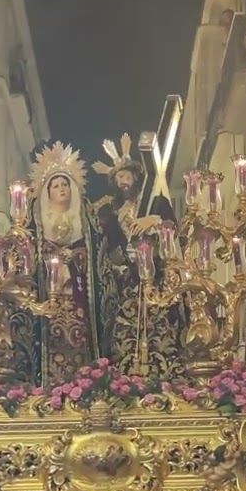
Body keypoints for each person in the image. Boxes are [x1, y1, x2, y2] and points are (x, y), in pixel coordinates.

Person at [92, 133, 185, 377]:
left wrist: (152, 220)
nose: (123, 181)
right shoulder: (114, 211)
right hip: (130, 278)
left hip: (158, 273)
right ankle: (126, 374)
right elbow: (110, 243)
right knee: (126, 326)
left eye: (125, 175)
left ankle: (165, 372)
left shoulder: (156, 201)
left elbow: (173, 227)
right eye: (118, 177)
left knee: (162, 321)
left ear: (136, 175)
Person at [27, 141, 105, 382]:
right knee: (52, 338)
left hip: (77, 297)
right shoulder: (37, 224)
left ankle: (81, 384)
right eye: (56, 186)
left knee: (80, 340)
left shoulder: (85, 223)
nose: (61, 189)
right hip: (48, 299)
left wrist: (76, 257)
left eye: (65, 185)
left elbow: (97, 261)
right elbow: (28, 258)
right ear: (47, 192)